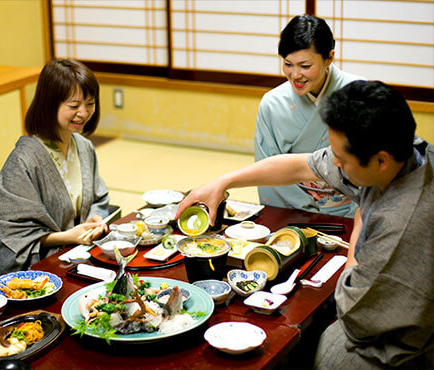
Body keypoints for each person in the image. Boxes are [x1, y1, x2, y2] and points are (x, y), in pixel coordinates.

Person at [177, 80, 433, 368]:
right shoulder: (407, 151)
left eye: (341, 159)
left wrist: (355, 247)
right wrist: (224, 181)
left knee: (286, 346)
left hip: (394, 352)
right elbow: (304, 165)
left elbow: (356, 316)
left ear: (380, 161)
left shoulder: (402, 226)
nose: (333, 163)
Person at [0, 59, 110, 277]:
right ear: (50, 104)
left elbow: (99, 200)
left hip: (80, 256)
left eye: (90, 103)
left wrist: (94, 220)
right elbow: (10, 233)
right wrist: (68, 236)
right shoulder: (23, 161)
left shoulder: (83, 147)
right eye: (73, 106)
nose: (84, 112)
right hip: (45, 268)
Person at [254, 15, 363, 217]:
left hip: (354, 209)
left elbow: (374, 167)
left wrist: (358, 213)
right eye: (288, 64)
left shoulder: (359, 95)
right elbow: (268, 169)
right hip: (294, 210)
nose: (295, 75)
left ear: (329, 58)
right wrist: (307, 215)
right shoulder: (272, 104)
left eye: (305, 66)